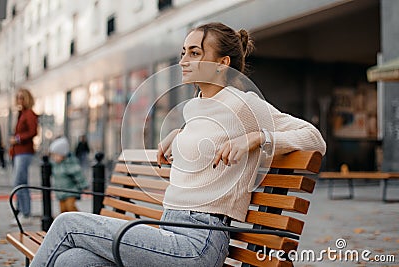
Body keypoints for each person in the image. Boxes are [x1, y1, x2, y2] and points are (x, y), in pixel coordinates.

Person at [31, 22, 326, 266]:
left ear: (223, 64)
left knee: (68, 223)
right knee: (74, 260)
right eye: (183, 52)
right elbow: (211, 134)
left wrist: (258, 138)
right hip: (169, 232)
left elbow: (314, 138)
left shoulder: (245, 105)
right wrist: (180, 134)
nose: (183, 61)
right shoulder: (197, 105)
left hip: (198, 244)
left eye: (195, 53)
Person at [9, 88, 38, 226]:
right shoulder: (21, 114)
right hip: (17, 152)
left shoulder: (30, 114)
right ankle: (22, 212)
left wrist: (18, 139)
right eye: (18, 97)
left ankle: (25, 213)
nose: (19, 100)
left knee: (19, 182)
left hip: (24, 152)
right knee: (20, 182)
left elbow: (33, 132)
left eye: (22, 97)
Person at [49, 137, 89, 213]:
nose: (54, 158)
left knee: (70, 207)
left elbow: (78, 175)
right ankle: (67, 224)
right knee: (63, 210)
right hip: (60, 192)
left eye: (56, 155)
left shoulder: (69, 164)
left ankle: (79, 221)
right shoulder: (55, 165)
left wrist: (84, 186)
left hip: (71, 191)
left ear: (63, 154)